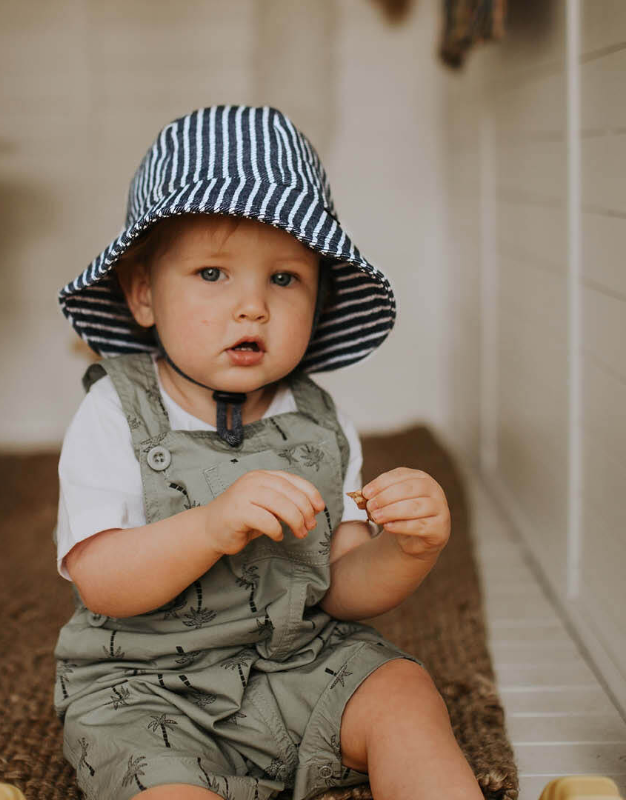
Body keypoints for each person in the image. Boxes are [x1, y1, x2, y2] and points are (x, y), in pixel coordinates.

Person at [52, 105, 483, 800]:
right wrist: (208, 525)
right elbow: (101, 581)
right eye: (213, 274)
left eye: (283, 279)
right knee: (150, 776)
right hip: (147, 691)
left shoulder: (319, 418)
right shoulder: (114, 412)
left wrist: (407, 550)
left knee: (402, 689)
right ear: (142, 293)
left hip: (297, 663)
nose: (252, 305)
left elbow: (340, 588)